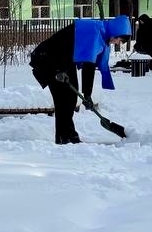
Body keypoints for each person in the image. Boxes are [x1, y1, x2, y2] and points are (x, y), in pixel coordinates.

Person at [29, 16, 132, 144]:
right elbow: (88, 65)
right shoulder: (95, 32)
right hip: (48, 59)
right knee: (63, 98)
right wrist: (57, 71)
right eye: (119, 39)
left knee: (71, 97)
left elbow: (90, 65)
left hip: (64, 61)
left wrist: (87, 95)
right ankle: (64, 138)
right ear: (115, 32)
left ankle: (69, 136)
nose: (117, 43)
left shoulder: (101, 34)